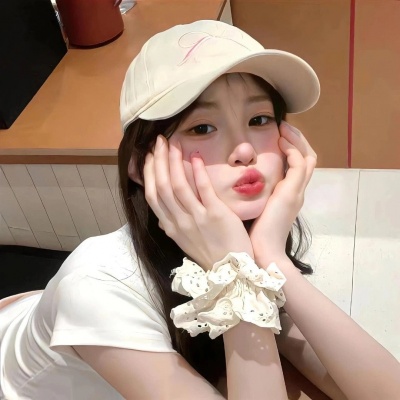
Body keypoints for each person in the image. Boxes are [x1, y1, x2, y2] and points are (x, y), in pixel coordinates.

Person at [1, 20, 399, 400]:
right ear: (141, 164)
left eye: (260, 119)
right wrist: (236, 270)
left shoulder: (243, 230)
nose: (245, 150)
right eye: (202, 127)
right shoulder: (98, 289)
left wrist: (271, 259)